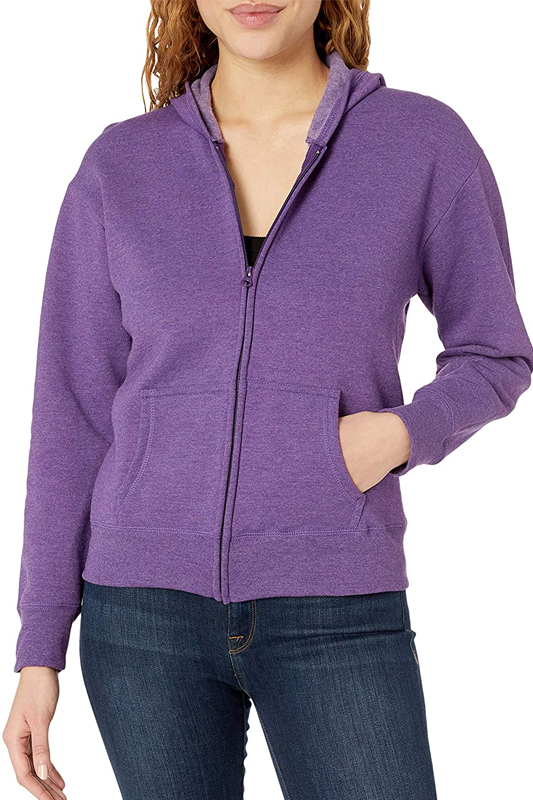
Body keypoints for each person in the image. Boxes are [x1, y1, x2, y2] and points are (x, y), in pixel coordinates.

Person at [4, 1, 533, 798]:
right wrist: (39, 650)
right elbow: (71, 415)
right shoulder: (121, 166)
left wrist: (396, 436)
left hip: (334, 606)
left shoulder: (419, 143)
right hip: (140, 617)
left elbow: (495, 352)